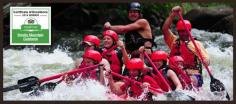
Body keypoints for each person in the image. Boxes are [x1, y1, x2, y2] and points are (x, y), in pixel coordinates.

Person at [162, 6, 210, 88]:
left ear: (189, 31)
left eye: (184, 31)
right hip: (175, 73)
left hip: (193, 74)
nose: (182, 33)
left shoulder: (196, 44)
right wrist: (172, 15)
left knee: (188, 81)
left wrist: (205, 61)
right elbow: (165, 29)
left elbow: (207, 59)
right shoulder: (174, 41)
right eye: (180, 31)